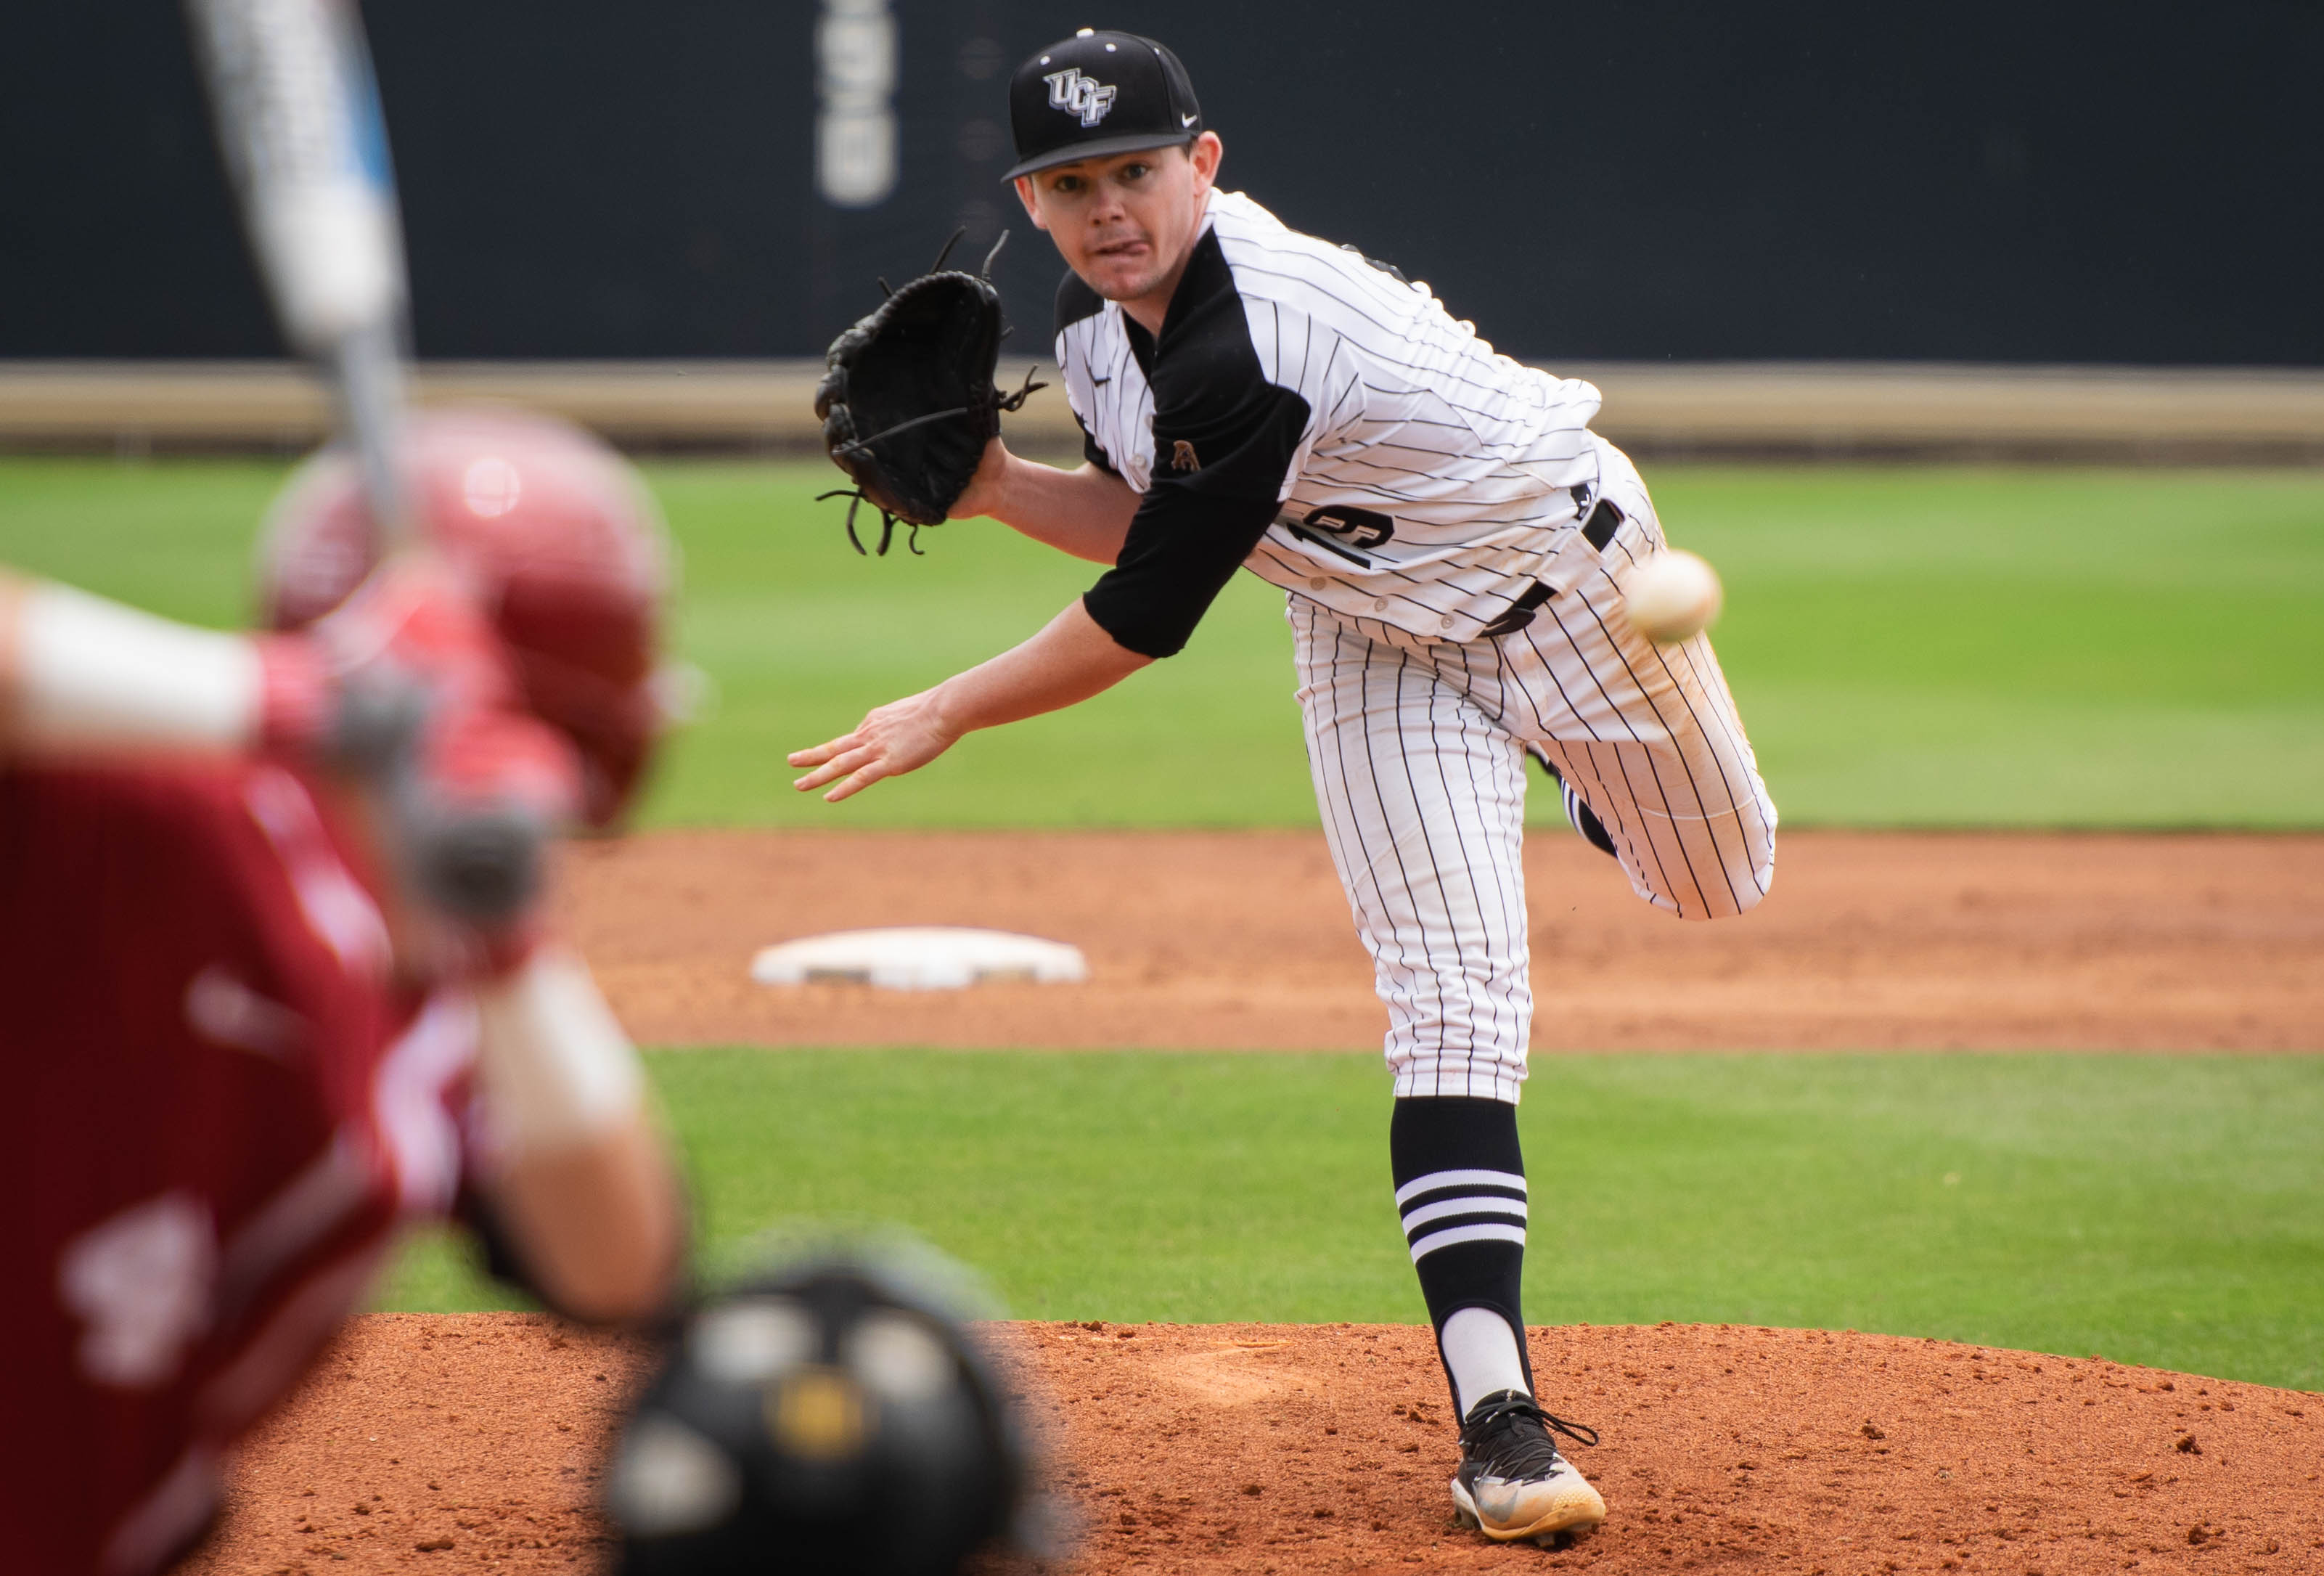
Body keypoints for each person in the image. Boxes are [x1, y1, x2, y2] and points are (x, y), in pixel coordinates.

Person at [789, 28, 1777, 1547]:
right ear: (1030, 201)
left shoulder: (1256, 332)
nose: (1108, 210)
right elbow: (1151, 515)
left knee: (1717, 883)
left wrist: (945, 708)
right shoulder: (1099, 331)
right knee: (1451, 1004)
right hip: (1368, 632)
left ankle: (1567, 770)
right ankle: (1499, 1424)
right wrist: (994, 488)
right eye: (1071, 185)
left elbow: (1144, 616)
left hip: (1570, 593)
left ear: (1201, 164)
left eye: (1134, 172)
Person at [0, 408, 684, 1576]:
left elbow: (619, 1264)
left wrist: (508, 942)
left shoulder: (438, 1012)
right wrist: (303, 699)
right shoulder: (126, 832)